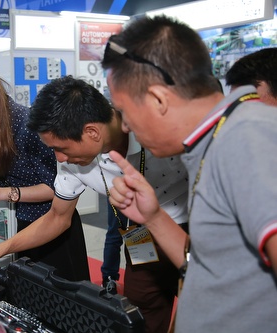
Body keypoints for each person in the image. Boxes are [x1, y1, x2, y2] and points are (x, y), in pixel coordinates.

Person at [0, 75, 189, 333]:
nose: (59, 158)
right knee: (143, 311)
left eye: (61, 148)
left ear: (92, 132)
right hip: (140, 237)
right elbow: (57, 218)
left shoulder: (162, 135)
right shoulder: (70, 158)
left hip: (193, 233)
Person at [101, 15, 277, 333]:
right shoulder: (217, 140)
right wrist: (153, 216)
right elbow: (211, 264)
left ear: (158, 99)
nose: (125, 126)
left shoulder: (246, 136)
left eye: (124, 111)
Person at [0, 56, 90, 281]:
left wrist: (0, 193)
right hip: (20, 229)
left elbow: (56, 186)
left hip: (53, 232)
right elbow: (2, 174)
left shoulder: (28, 124)